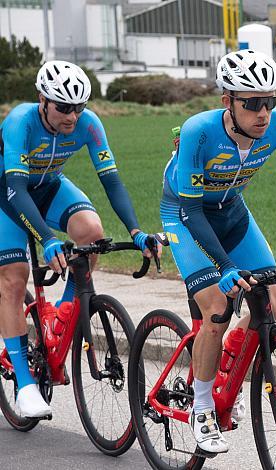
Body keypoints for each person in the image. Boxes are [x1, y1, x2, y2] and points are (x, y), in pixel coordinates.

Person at [159, 49, 276, 454]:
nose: (263, 113)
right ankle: (203, 405)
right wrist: (224, 266)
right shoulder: (199, 131)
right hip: (185, 215)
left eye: (270, 102)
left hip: (232, 212)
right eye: (252, 103)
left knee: (273, 306)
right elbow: (191, 209)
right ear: (228, 102)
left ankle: (224, 364)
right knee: (216, 307)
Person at [0, 60, 160, 419]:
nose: (72, 116)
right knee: (13, 278)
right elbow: (15, 188)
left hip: (48, 186)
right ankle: (25, 384)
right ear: (43, 100)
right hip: (7, 195)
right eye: (63, 108)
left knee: (91, 232)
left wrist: (136, 232)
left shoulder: (89, 125)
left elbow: (112, 181)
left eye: (80, 107)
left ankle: (65, 313)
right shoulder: (19, 123)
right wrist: (46, 238)